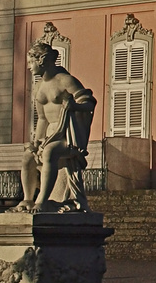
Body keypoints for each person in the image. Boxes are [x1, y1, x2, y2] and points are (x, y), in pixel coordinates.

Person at [17, 42, 97, 213]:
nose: (29, 67)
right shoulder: (38, 87)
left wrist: (74, 106)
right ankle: (27, 200)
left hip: (66, 136)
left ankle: (42, 201)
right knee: (27, 156)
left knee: (49, 152)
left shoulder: (65, 80)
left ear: (43, 60)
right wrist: (37, 142)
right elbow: (43, 119)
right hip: (48, 134)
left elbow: (89, 103)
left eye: (31, 62)